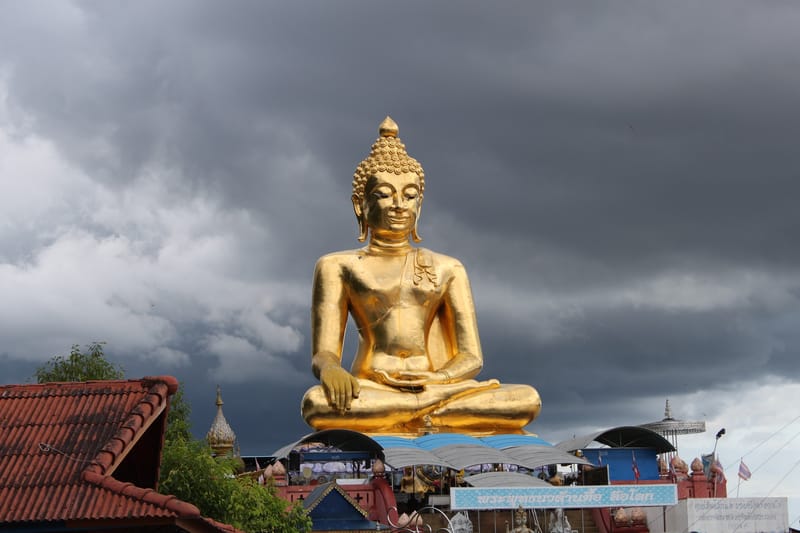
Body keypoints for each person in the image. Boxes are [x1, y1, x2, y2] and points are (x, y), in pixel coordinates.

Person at [301, 117, 541, 434]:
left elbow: (470, 357)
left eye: (410, 195)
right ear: (360, 206)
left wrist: (438, 381)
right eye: (385, 194)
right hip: (373, 387)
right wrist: (331, 369)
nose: (399, 205)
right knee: (317, 402)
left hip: (437, 385)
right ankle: (427, 414)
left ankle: (415, 412)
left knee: (526, 399)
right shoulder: (337, 266)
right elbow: (324, 352)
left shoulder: (448, 268)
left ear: (420, 206)